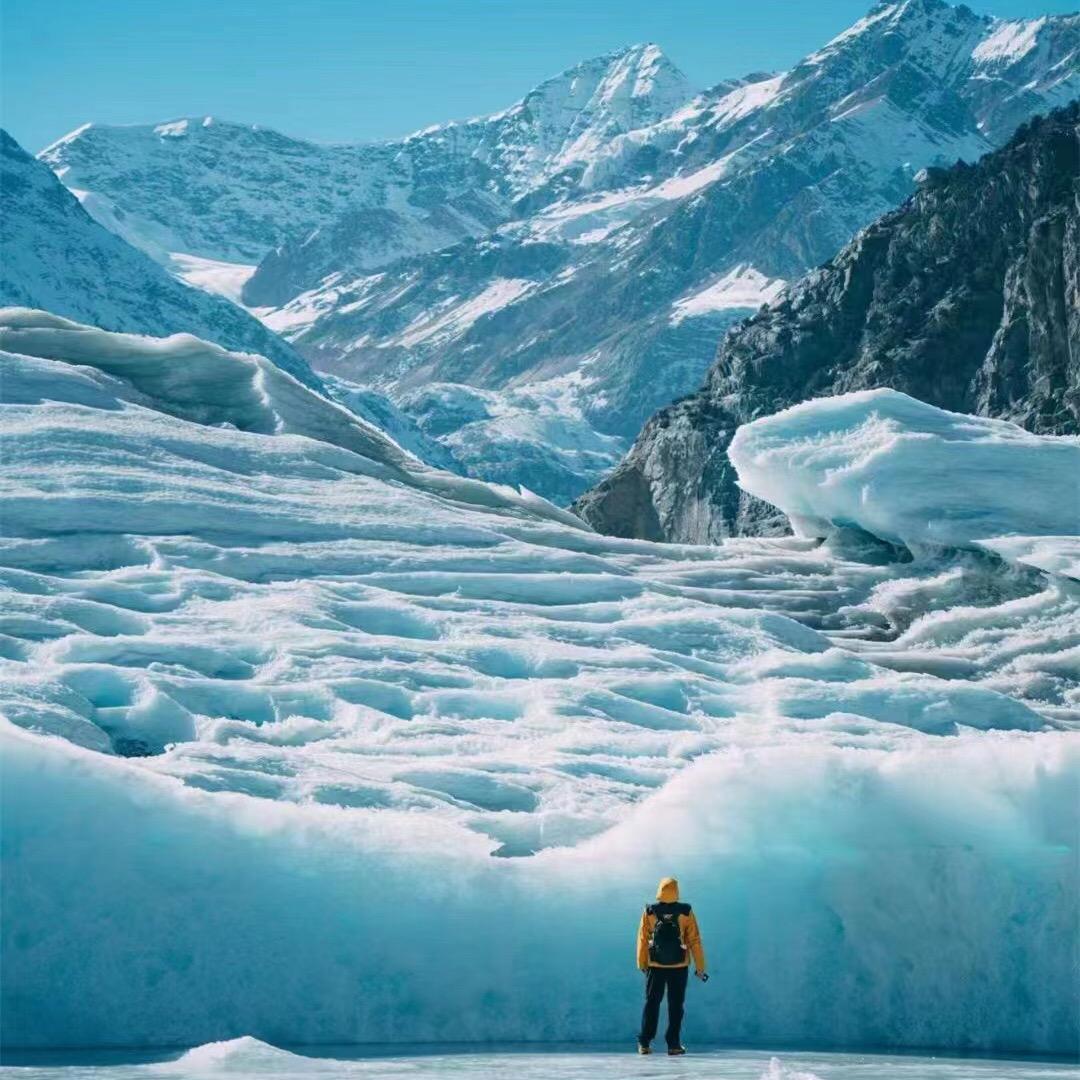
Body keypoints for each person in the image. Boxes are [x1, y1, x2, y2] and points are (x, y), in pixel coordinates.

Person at [636, 876, 707, 1055]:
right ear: (676, 891)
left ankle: (644, 1043)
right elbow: (694, 940)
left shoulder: (650, 911)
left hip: (655, 965)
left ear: (659, 890)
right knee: (676, 1005)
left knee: (652, 1003)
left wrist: (641, 962)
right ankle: (673, 1044)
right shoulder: (686, 911)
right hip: (679, 966)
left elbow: (643, 939)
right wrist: (700, 968)